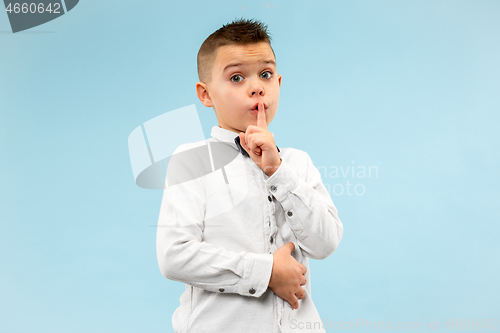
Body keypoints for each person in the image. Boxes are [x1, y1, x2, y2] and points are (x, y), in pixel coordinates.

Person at [156, 18, 343, 333]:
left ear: (279, 84)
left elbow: (325, 243)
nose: (257, 86)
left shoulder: (298, 163)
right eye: (237, 77)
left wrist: (278, 171)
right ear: (206, 94)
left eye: (266, 75)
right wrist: (267, 272)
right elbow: (174, 255)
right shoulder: (192, 161)